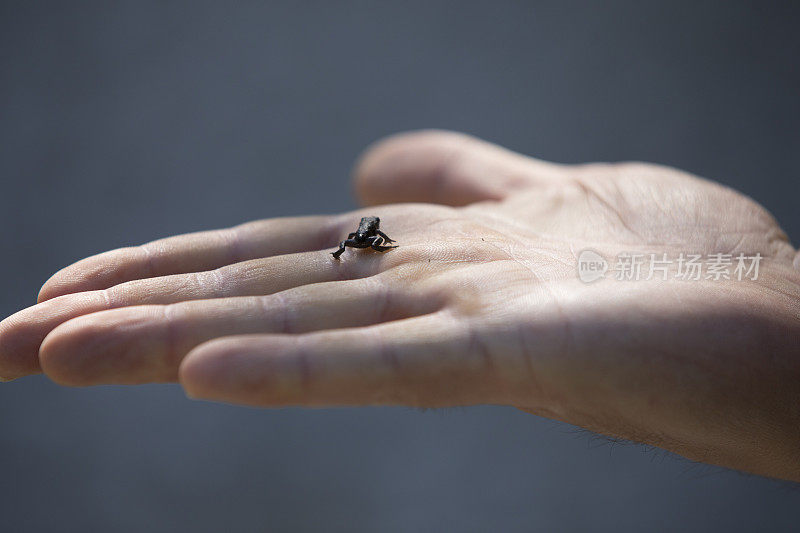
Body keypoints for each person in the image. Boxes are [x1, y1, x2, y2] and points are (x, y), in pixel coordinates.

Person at [1, 130, 798, 482]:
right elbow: (358, 244)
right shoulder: (364, 241)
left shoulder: (368, 239)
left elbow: (362, 242)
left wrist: (776, 295)